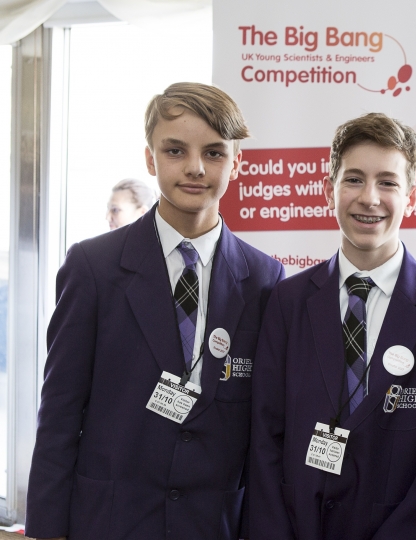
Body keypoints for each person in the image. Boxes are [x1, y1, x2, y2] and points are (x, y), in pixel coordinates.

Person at [25, 82, 285, 540]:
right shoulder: (94, 267)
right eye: (175, 150)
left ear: (237, 163)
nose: (195, 168)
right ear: (150, 158)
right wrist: (47, 530)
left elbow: (264, 431)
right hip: (109, 520)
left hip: (213, 523)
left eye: (214, 153)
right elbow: (60, 412)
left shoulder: (265, 280)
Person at [249, 112, 416, 539]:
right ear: (329, 191)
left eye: (388, 182)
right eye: (353, 179)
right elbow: (264, 436)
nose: (369, 198)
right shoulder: (286, 302)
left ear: (412, 197)